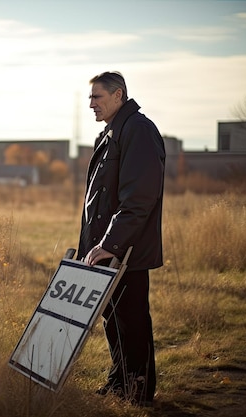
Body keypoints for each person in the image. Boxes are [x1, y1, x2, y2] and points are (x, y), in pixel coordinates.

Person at [77, 71, 165, 406]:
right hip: (107, 252)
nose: (91, 104)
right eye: (89, 98)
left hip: (126, 252)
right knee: (114, 319)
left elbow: (139, 197)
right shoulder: (113, 132)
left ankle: (137, 392)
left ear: (118, 95)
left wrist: (111, 245)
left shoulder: (137, 131)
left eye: (96, 97)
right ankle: (120, 384)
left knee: (130, 320)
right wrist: (96, 248)